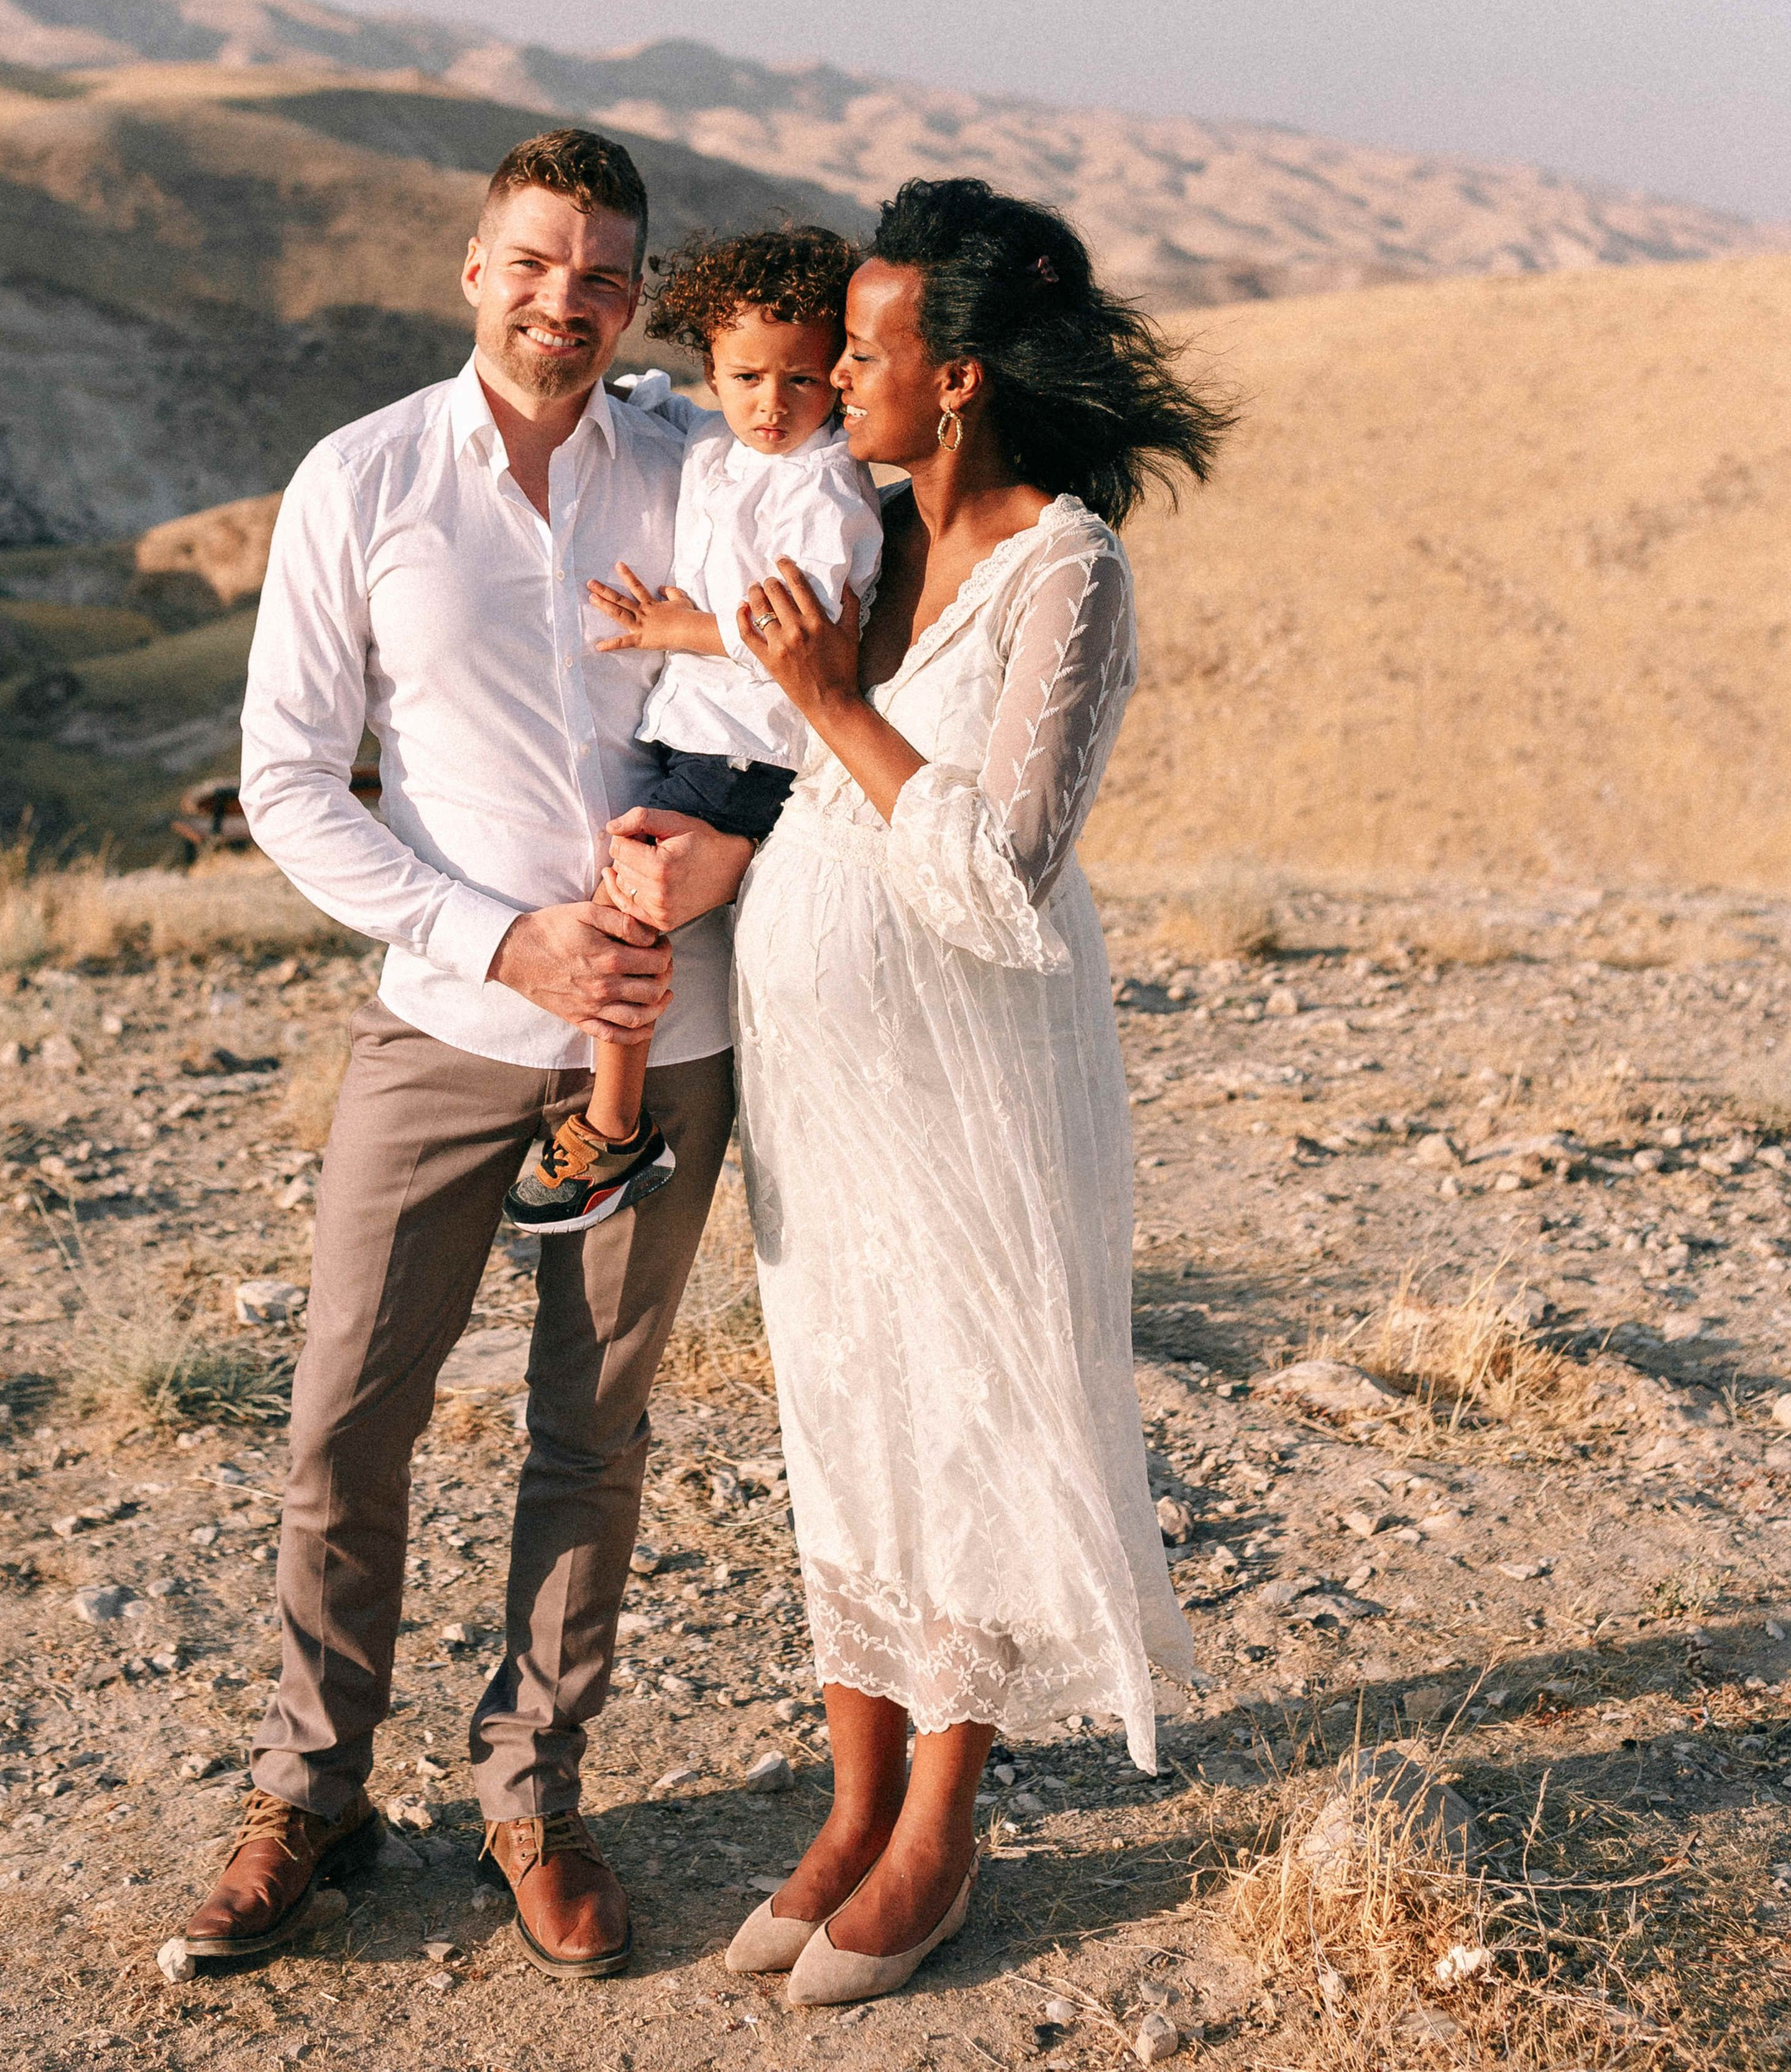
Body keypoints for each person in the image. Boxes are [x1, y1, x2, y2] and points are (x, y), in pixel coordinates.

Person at [174, 128, 751, 1985]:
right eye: (530, 263)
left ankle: (534, 1795)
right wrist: (503, 936)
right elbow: (285, 780)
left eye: (599, 276)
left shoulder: (697, 466)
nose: (560, 304)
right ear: (469, 268)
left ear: (635, 297)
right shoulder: (361, 477)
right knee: (348, 1414)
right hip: (442, 1021)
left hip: (667, 1038)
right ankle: (309, 1796)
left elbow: (800, 666)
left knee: (590, 1434)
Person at [719, 176, 1232, 2011]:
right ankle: (850, 1807)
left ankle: (942, 1821)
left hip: (965, 1069)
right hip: (820, 1081)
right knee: (842, 1407)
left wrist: (824, 698)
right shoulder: (866, 535)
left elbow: (1002, 867)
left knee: (964, 1416)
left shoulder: (1063, 569)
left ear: (955, 380)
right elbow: (805, 784)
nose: (833, 379)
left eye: (865, 352)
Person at [503, 224, 884, 1233]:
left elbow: (810, 637)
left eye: (801, 380)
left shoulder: (822, 487)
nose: (772, 403)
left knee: (626, 913)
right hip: (694, 730)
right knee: (638, 895)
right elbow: (650, 403)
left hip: (747, 745)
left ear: (836, 377)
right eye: (745, 376)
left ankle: (615, 1129)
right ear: (709, 368)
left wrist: (680, 626)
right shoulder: (714, 437)